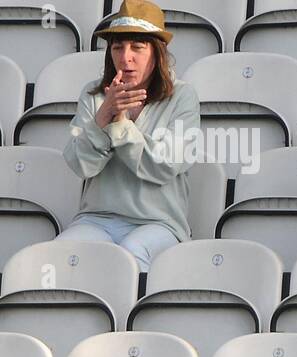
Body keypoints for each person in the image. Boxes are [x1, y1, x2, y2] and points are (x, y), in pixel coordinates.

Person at [61, 0, 199, 271]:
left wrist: (120, 125)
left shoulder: (183, 97)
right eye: (117, 47)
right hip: (95, 219)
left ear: (157, 52)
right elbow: (80, 165)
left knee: (130, 256)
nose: (126, 58)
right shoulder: (94, 95)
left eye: (137, 47)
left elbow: (164, 165)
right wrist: (103, 117)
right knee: (59, 255)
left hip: (159, 222)